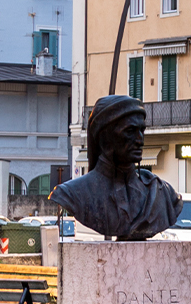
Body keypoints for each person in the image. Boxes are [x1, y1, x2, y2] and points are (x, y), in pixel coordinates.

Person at [49, 95, 182, 240]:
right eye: (130, 131)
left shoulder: (163, 193)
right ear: (105, 137)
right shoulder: (73, 194)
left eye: (141, 131)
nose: (140, 140)